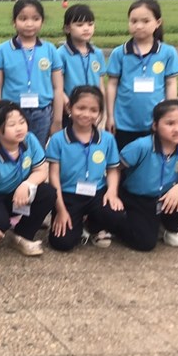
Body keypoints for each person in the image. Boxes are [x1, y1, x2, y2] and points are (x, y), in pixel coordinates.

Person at [117, 100, 178, 250]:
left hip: (166, 197)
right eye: (170, 123)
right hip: (138, 198)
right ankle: (119, 222)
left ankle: (167, 226)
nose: (177, 129)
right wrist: (113, 194)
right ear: (155, 126)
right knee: (144, 244)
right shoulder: (141, 146)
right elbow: (115, 168)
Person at [0, 101, 56, 256]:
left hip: (18, 192)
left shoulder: (29, 139)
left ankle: (22, 236)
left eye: (22, 122)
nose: (19, 128)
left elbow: (41, 171)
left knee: (48, 193)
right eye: (12, 124)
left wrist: (27, 184)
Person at [46, 86, 124, 251]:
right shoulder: (58, 139)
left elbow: (112, 169)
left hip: (97, 192)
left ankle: (92, 226)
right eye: (81, 108)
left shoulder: (107, 139)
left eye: (93, 110)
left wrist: (112, 192)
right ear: (69, 108)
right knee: (62, 243)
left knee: (116, 215)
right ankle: (77, 223)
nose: (86, 114)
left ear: (100, 113)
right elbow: (53, 176)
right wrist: (61, 210)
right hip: (68, 195)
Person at [105, 0, 178, 150]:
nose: (138, 26)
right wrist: (110, 116)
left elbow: (171, 83)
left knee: (152, 159)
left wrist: (170, 114)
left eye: (145, 21)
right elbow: (112, 85)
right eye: (133, 21)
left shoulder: (168, 52)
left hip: (155, 122)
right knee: (123, 160)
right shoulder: (119, 53)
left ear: (158, 22)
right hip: (123, 123)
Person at [0, 0, 64, 146]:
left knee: (37, 151)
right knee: (11, 149)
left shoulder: (50, 50)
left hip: (42, 112)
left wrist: (57, 120)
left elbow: (58, 87)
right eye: (23, 19)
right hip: (11, 113)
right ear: (14, 22)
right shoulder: (3, 50)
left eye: (35, 19)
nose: (29, 24)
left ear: (42, 21)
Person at [56, 5, 106, 127]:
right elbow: (57, 86)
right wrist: (67, 105)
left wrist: (102, 110)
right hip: (72, 110)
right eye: (80, 25)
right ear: (67, 28)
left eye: (90, 24)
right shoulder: (60, 54)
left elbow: (101, 84)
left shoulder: (97, 53)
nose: (86, 28)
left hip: (93, 109)